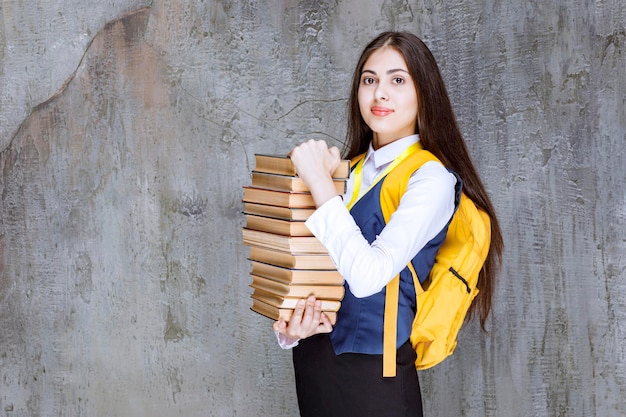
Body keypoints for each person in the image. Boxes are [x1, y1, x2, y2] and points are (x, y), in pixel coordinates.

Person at [272, 31, 503, 417]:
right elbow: (310, 276)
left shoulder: (431, 179)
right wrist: (290, 332)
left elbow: (368, 276)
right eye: (369, 79)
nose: (380, 93)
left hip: (374, 379)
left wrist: (316, 182)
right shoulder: (347, 171)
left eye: (398, 80)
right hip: (314, 368)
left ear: (423, 93)